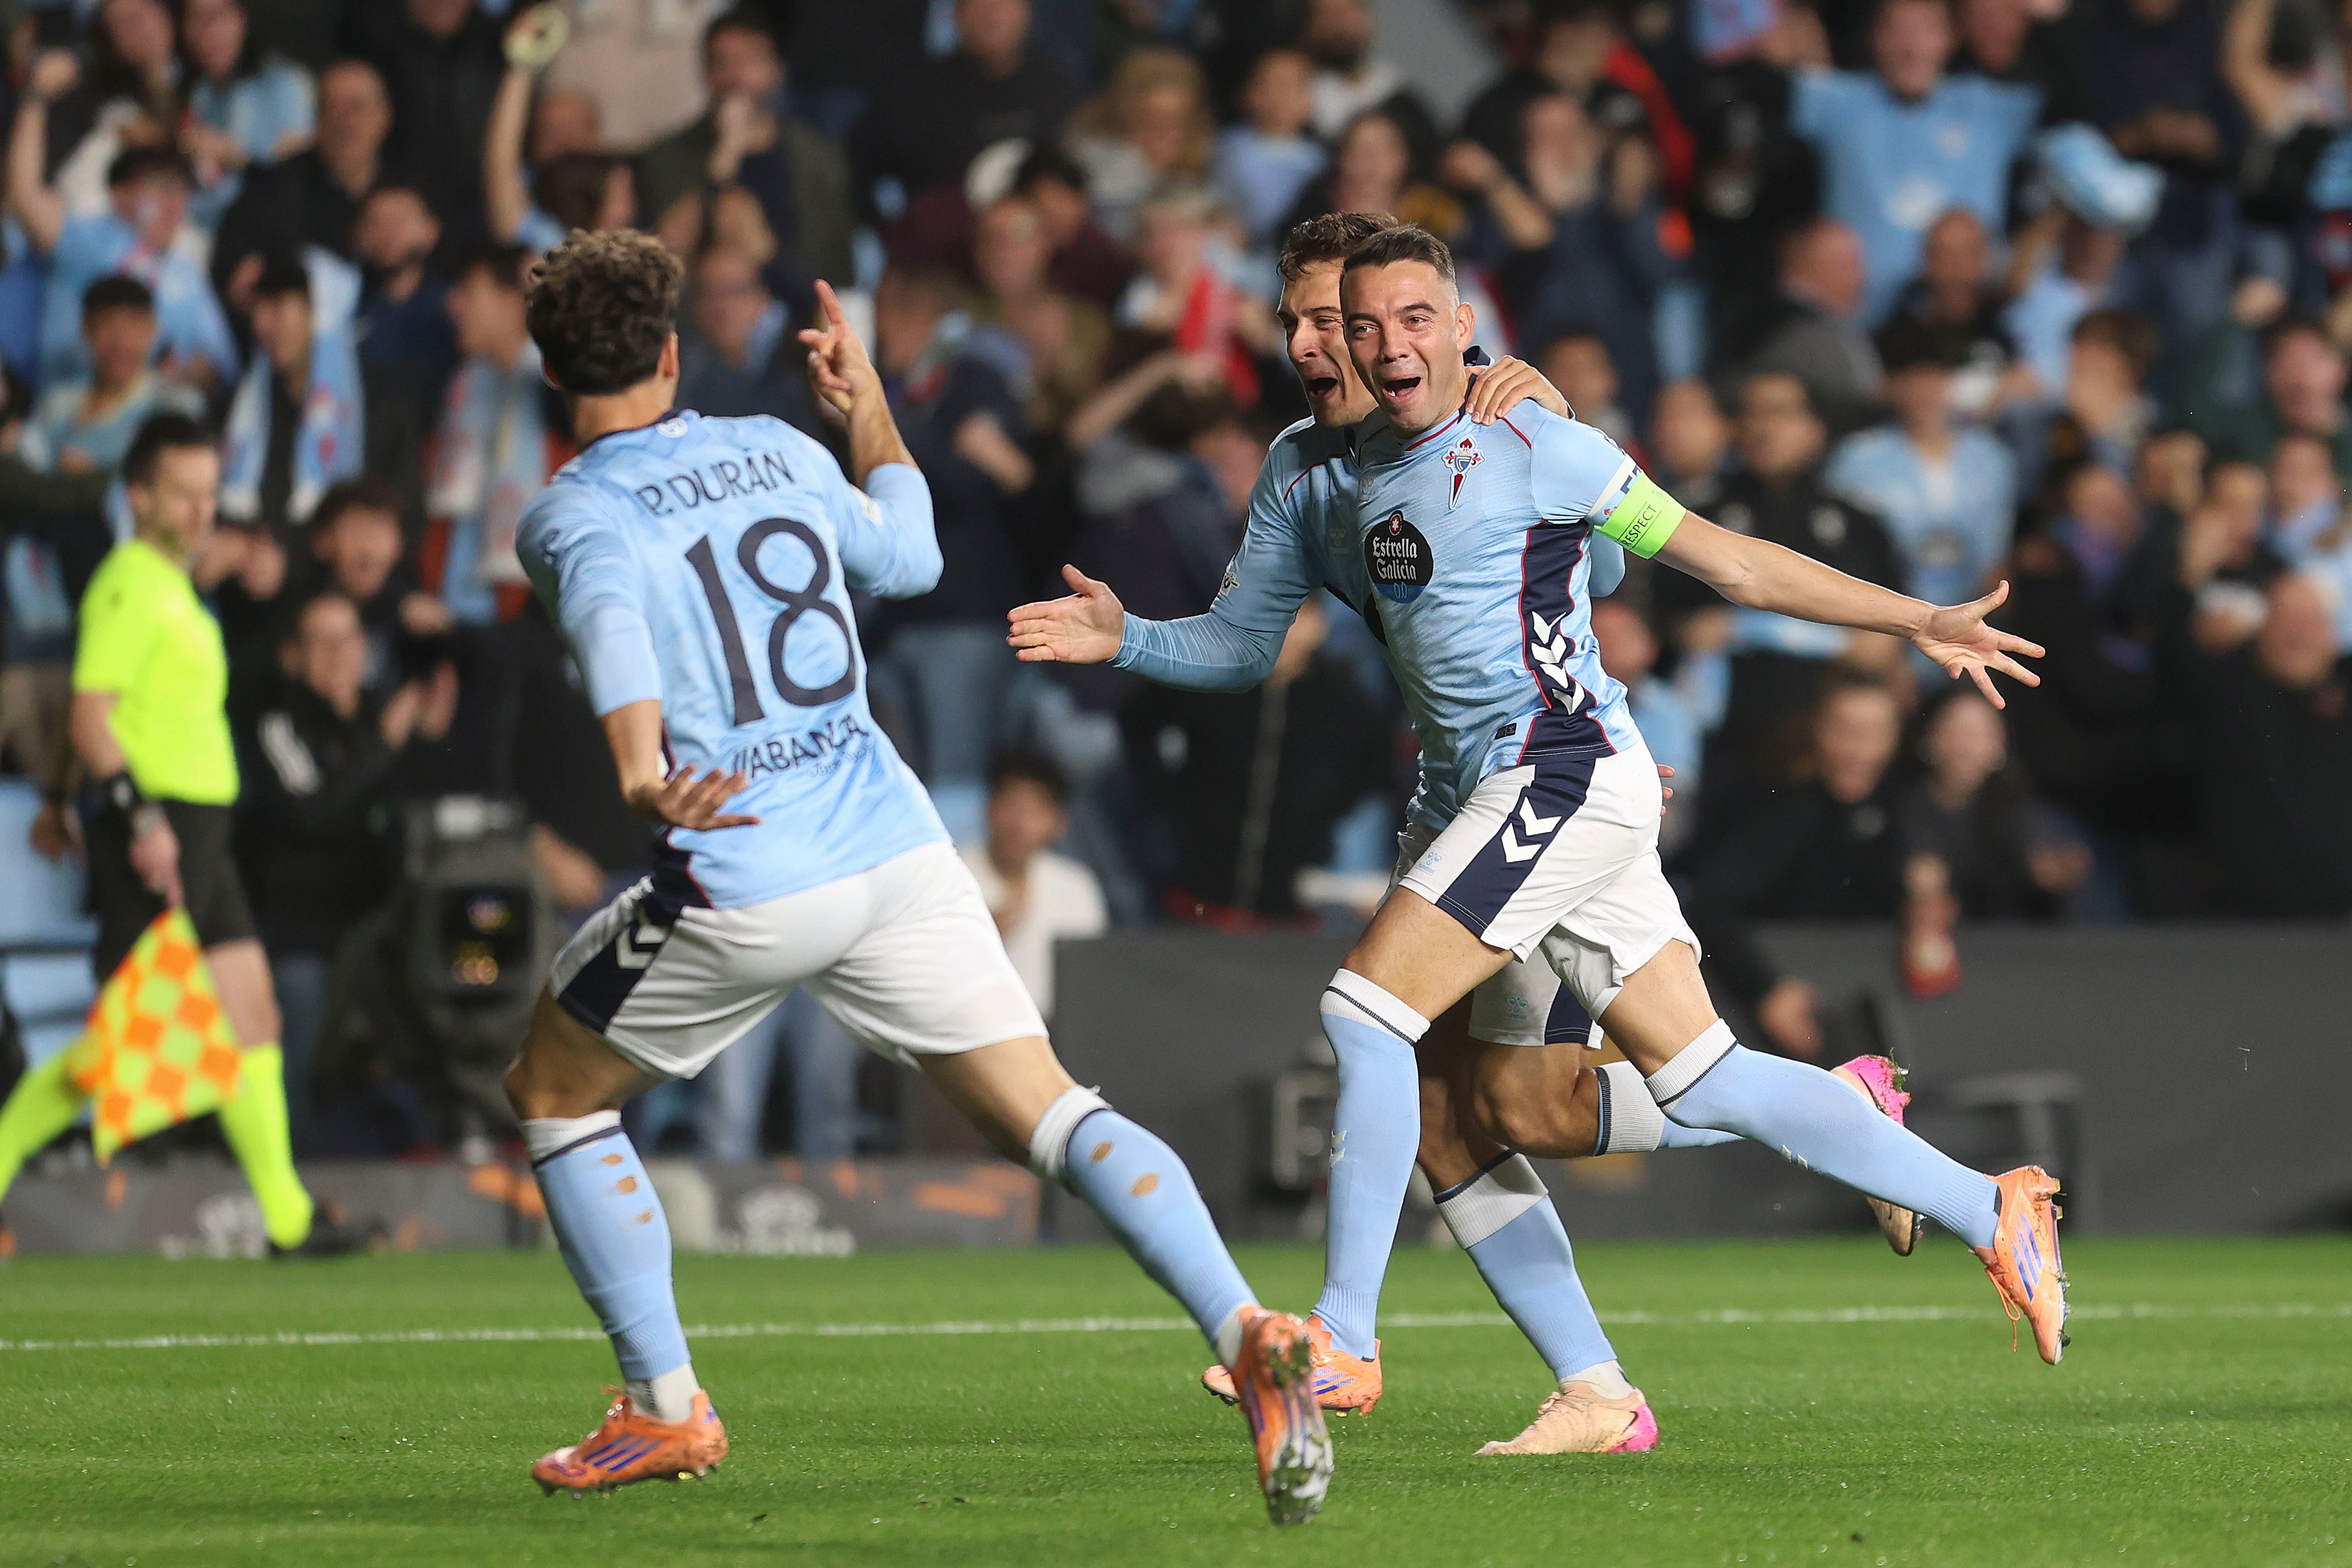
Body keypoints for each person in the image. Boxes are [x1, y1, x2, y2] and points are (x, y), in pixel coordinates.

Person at [1012, 225, 2068, 1433]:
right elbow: (1244, 643)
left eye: (1364, 319)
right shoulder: (1306, 468)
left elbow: (1706, 570)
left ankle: (1344, 1340)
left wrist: (1918, 619)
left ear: (1451, 327)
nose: (1331, 345)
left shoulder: (1528, 434)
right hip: (1473, 795)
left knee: (1365, 1012)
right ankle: (1927, 1230)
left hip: (1556, 772)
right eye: (1313, 323)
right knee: (1512, 1108)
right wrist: (1128, 637)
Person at [503, 231, 1331, 1520]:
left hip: (750, 867)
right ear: (672, 352)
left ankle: (664, 1406)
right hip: (894, 844)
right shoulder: (780, 449)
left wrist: (634, 767)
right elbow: (915, 555)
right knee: (1051, 1110)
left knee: (554, 1091)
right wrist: (873, 404)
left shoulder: (571, 507)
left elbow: (611, 614)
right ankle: (1247, 1324)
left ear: (551, 374)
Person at [0, 415, 351, 1255]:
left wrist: (56, 800)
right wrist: (141, 819)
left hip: (199, 834)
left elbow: (101, 709)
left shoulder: (169, 583)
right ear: (139, 498)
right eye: (182, 495)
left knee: (251, 1015)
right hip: (159, 833)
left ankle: (290, 1221)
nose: (201, 510)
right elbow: (90, 716)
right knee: (113, 1047)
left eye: (206, 493)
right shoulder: (130, 582)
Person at [236, 590, 454, 1147]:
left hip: (382, 939)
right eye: (322, 641)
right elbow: (312, 813)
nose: (338, 655)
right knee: (300, 1071)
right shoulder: (277, 726)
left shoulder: (376, 722)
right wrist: (384, 744)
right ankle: (295, 1195)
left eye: (349, 639)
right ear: (295, 655)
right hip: (302, 939)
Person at [1788, 0, 2040, 323]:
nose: (1911, 46)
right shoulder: (1837, 101)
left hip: (1962, 326)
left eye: (1926, 30)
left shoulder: (1990, 107)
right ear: (1874, 38)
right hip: (1858, 323)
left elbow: (2068, 86)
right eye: (1896, 30)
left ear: (1952, 38)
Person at [1827, 320, 2018, 608]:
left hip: (1972, 611)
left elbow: (1996, 559)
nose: (1922, 391)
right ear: (1891, 386)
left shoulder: (1990, 457)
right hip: (1885, 614)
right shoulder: (1857, 459)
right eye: (1910, 379)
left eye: (1932, 376)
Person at [425, 246, 566, 626]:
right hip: (450, 606)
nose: (453, 305)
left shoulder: (558, 386)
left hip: (530, 617)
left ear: (512, 303)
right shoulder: (462, 387)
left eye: (469, 292)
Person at [220, 254, 366, 537]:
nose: (260, 326)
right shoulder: (248, 405)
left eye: (276, 307)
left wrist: (287, 562)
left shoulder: (374, 406)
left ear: (318, 314)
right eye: (257, 310)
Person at [960, 750, 1108, 1017]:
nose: (1020, 824)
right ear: (990, 809)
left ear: (1058, 822)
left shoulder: (1076, 886)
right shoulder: (953, 874)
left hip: (1056, 1035)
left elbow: (1091, 978)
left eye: (1034, 811)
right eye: (1012, 807)